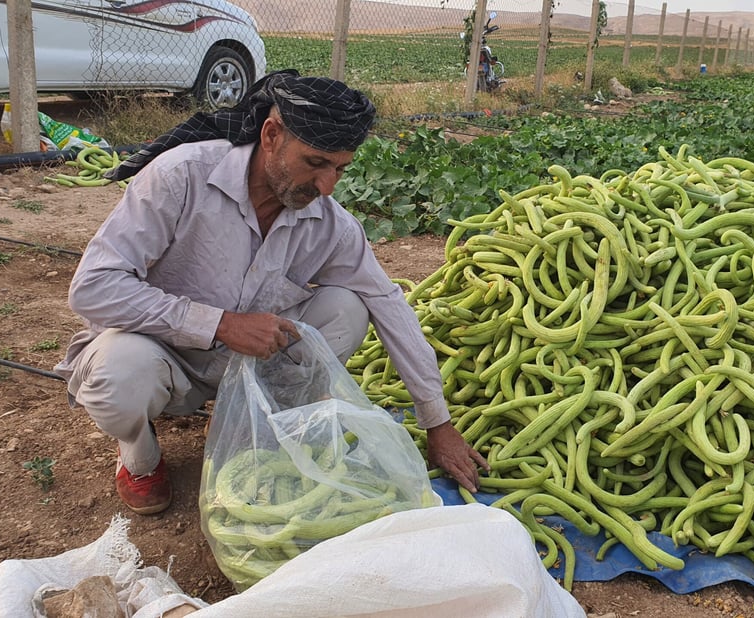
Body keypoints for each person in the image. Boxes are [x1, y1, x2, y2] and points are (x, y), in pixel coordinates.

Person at [54, 70, 489, 515]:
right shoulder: (181, 176)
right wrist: (221, 324)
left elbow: (388, 303)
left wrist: (437, 422)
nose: (327, 186)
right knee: (117, 373)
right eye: (316, 163)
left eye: (340, 169)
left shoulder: (329, 224)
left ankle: (249, 427)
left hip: (248, 369)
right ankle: (140, 458)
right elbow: (93, 287)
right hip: (162, 357)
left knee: (348, 307)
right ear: (271, 135)